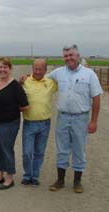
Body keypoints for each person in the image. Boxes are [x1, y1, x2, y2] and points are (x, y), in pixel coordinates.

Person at [48, 44, 103, 193]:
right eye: (66, 56)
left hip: (81, 118)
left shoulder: (89, 74)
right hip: (63, 118)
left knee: (79, 149)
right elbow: (41, 80)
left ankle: (77, 181)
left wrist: (94, 121)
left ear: (78, 56)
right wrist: (26, 78)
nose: (69, 58)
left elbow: (96, 97)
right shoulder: (58, 73)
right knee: (62, 150)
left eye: (71, 55)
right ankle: (60, 180)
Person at [0, 57, 29, 190]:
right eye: (0, 66)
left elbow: (25, 106)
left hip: (9, 123)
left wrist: (11, 110)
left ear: (10, 69)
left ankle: (9, 177)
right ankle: (0, 174)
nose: (2, 69)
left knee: (6, 149)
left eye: (5, 67)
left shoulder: (15, 86)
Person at [21, 59, 57, 186]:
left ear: (45, 70)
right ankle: (27, 175)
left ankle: (34, 175)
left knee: (39, 152)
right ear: (32, 68)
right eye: (35, 68)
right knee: (26, 152)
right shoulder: (25, 81)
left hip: (45, 124)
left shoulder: (51, 82)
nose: (37, 71)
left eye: (40, 69)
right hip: (29, 123)